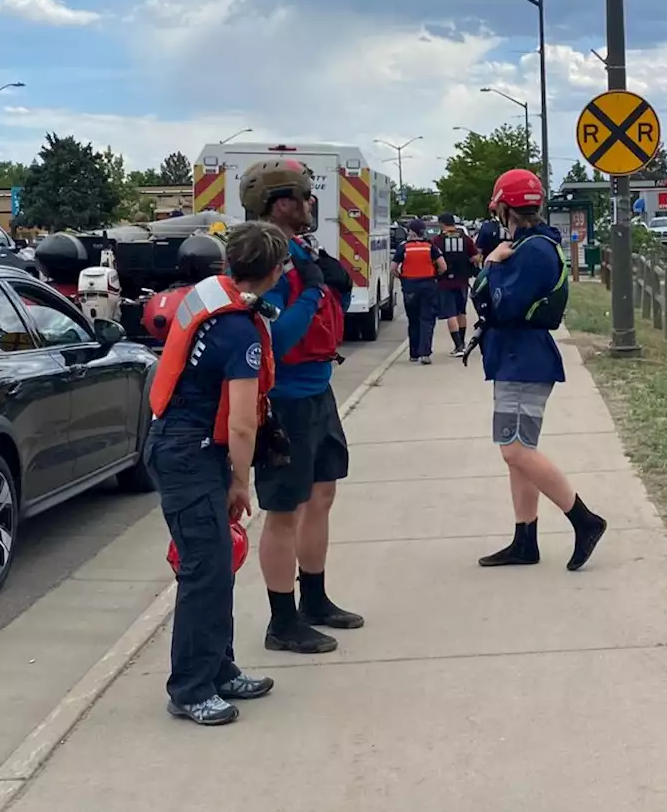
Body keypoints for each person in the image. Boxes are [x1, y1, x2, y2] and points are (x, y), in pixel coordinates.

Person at [146, 221, 288, 725]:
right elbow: (244, 422)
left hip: (177, 441)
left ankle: (219, 668)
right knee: (205, 570)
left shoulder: (213, 299)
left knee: (216, 561)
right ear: (273, 272)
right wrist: (239, 480)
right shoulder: (238, 332)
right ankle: (189, 687)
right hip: (191, 454)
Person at [240, 159, 364, 656]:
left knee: (322, 496)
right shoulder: (266, 259)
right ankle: (282, 621)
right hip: (285, 400)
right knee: (285, 510)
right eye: (304, 196)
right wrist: (313, 291)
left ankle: (315, 599)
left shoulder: (302, 251)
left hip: (318, 390)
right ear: (281, 202)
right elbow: (276, 339)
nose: (312, 203)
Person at [470, 169, 607, 570]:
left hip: (523, 359)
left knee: (513, 448)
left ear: (505, 207)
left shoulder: (531, 251)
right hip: (517, 356)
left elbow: (497, 303)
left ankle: (584, 520)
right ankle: (524, 539)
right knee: (519, 452)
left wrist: (491, 265)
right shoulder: (530, 244)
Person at [394, 218, 447, 364]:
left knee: (413, 320)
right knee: (427, 320)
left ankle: (414, 353)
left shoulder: (403, 247)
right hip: (428, 286)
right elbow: (443, 266)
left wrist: (402, 278)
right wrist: (435, 276)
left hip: (410, 286)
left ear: (411, 232)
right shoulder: (431, 247)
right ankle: (425, 353)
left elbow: (393, 268)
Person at [431, 213, 480, 358]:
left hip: (445, 281)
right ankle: (463, 343)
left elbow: (433, 260)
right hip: (462, 280)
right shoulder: (465, 239)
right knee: (461, 312)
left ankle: (458, 345)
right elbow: (476, 257)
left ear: (441, 224)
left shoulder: (437, 240)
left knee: (450, 313)